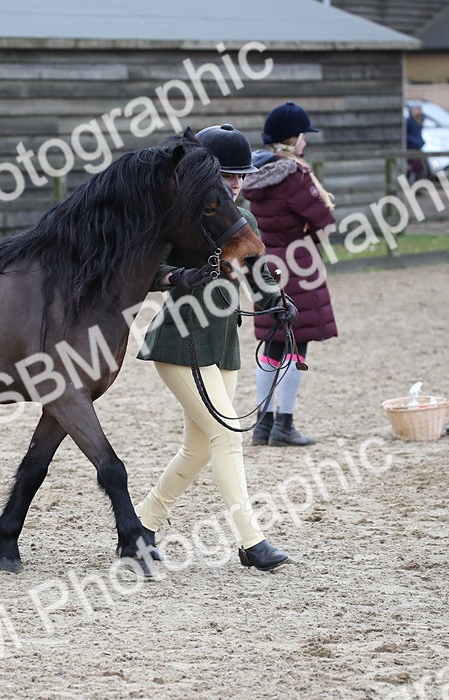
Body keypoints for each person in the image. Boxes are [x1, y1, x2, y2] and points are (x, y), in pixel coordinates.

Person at [133, 124, 296, 572]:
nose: (236, 183)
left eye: (241, 175)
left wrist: (277, 304)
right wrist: (177, 276)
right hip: (179, 343)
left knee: (200, 449)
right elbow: (147, 269)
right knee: (227, 436)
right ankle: (251, 541)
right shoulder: (177, 218)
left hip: (222, 344)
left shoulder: (243, 222)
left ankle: (143, 523)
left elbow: (258, 275)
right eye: (227, 175)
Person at [242, 102, 338, 447]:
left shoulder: (256, 173)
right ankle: (285, 424)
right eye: (302, 136)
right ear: (292, 139)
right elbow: (324, 219)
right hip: (298, 266)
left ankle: (262, 425)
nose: (305, 142)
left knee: (272, 343)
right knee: (298, 344)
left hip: (266, 263)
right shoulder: (295, 175)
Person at [406, 104, 427, 183]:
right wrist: (416, 141)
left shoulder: (419, 122)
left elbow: (418, 135)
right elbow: (406, 136)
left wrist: (421, 142)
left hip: (417, 149)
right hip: (411, 149)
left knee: (420, 168)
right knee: (417, 167)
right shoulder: (409, 122)